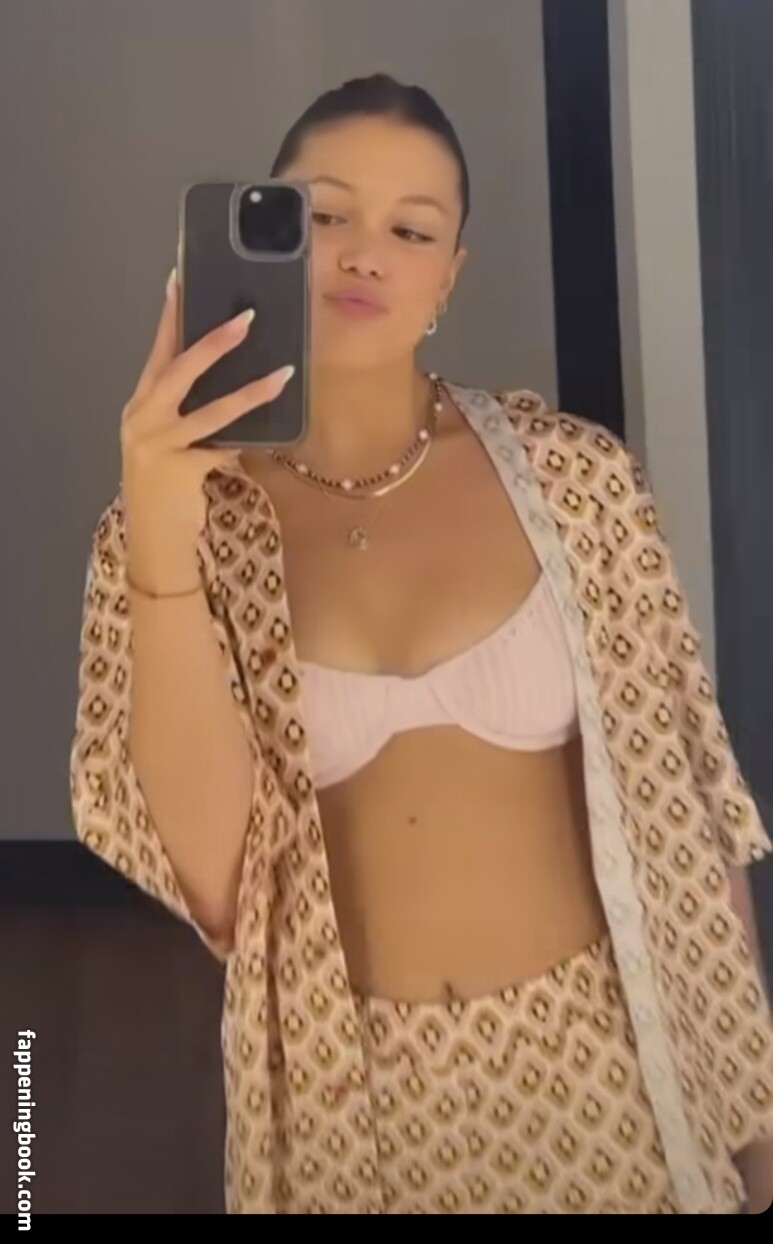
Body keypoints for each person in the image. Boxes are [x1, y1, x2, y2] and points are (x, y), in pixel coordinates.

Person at [69, 73, 773, 1214]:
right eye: (322, 213)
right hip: (352, 1101)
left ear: (449, 273)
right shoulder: (170, 531)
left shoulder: (574, 479)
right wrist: (161, 530)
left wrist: (757, 1122)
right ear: (254, 230)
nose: (364, 255)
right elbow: (217, 883)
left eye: (411, 230)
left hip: (609, 1065)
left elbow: (688, 804)